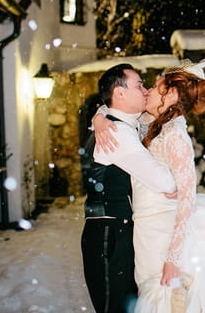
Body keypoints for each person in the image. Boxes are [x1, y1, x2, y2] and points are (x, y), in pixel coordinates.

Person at [95, 56, 205, 312]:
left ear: (170, 96)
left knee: (167, 300)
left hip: (164, 233)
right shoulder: (150, 123)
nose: (147, 91)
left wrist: (173, 259)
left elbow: (187, 199)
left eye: (156, 88)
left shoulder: (175, 134)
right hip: (145, 230)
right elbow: (116, 109)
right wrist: (99, 118)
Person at [81, 63, 177, 313]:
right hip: (109, 232)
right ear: (120, 93)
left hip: (116, 229)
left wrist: (98, 115)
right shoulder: (118, 133)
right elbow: (166, 182)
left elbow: (106, 106)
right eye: (139, 85)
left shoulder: (117, 122)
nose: (145, 90)